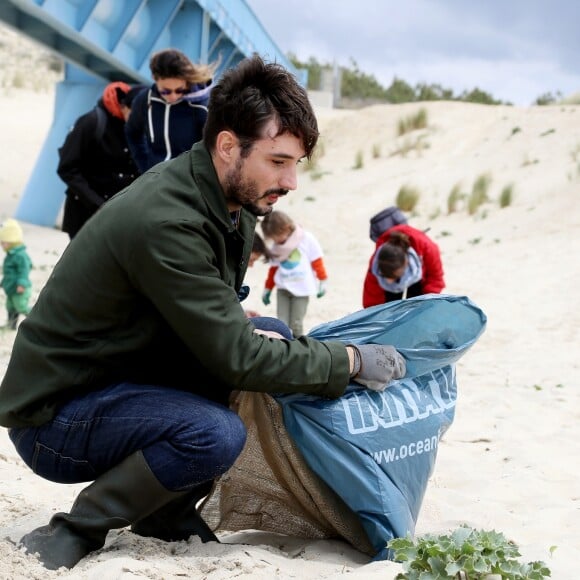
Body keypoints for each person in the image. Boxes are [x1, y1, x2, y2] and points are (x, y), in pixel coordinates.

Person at [0, 54, 406, 571]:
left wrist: (263, 335)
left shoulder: (229, 203)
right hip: (57, 418)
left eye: (296, 165)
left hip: (120, 377)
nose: (291, 183)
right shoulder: (168, 219)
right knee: (214, 432)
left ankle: (163, 513)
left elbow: (220, 327)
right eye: (278, 161)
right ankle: (77, 529)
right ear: (228, 145)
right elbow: (235, 358)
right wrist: (347, 361)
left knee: (273, 331)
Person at [57, 81, 140, 239]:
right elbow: (67, 168)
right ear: (124, 107)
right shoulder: (91, 122)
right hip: (85, 217)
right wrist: (98, 204)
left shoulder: (134, 128)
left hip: (120, 217)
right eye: (137, 113)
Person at [125, 48, 215, 173]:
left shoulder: (202, 107)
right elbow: (132, 132)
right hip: (154, 179)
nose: (173, 96)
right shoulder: (145, 100)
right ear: (154, 79)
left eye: (179, 90)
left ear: (186, 81)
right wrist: (145, 168)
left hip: (188, 182)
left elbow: (213, 150)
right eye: (165, 91)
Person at [260, 210, 328, 337]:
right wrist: (267, 289)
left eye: (276, 236)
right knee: (281, 324)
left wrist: (323, 280)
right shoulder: (276, 247)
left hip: (302, 289)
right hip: (283, 289)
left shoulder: (306, 239)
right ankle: (285, 348)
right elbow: (273, 270)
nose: (275, 241)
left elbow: (316, 260)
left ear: (285, 228)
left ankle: (298, 348)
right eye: (272, 238)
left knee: (296, 324)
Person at [362, 223, 445, 307]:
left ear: (407, 264)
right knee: (389, 305)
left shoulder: (428, 248)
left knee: (417, 304)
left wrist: (425, 305)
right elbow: (372, 298)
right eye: (385, 276)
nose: (388, 281)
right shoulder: (377, 261)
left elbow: (435, 279)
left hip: (418, 275)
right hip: (394, 270)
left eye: (393, 277)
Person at [0, 219, 32, 330]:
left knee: (21, 306)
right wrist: (3, 283)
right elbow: (9, 273)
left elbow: (24, 271)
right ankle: (11, 325)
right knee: (10, 306)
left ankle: (35, 319)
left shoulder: (20, 255)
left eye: (3, 243)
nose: (1, 245)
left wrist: (21, 284)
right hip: (11, 288)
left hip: (20, 289)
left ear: (12, 241)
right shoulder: (10, 255)